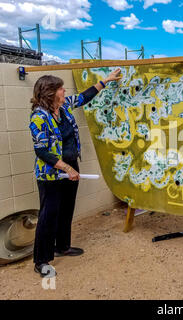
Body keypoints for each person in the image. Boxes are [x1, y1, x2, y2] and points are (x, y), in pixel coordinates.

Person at [29, 68, 122, 277]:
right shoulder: (38, 117)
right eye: (61, 88)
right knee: (48, 215)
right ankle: (41, 260)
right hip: (51, 174)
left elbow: (83, 97)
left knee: (66, 208)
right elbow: (42, 151)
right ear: (50, 93)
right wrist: (66, 168)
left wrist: (105, 81)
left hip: (70, 167)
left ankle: (62, 246)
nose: (64, 91)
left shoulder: (63, 107)